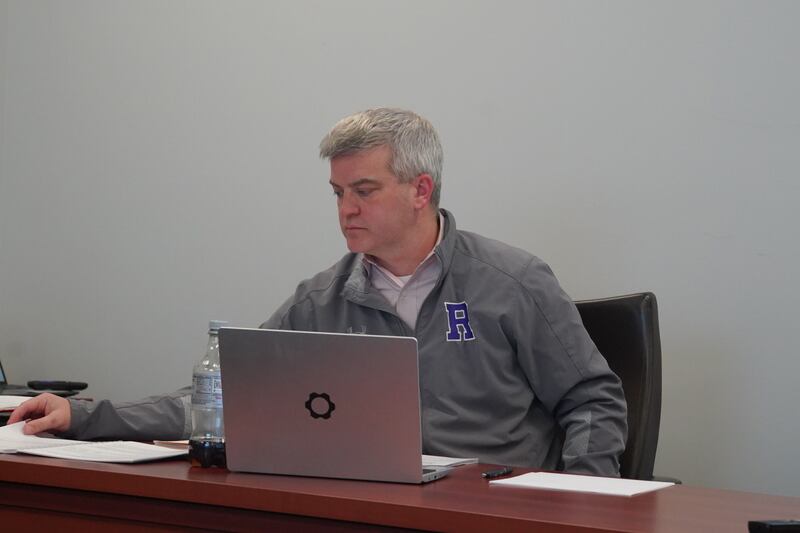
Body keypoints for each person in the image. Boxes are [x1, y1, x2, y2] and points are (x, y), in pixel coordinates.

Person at [9, 108, 627, 475]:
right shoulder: (322, 300)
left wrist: (583, 497)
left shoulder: (512, 282)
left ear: (420, 190)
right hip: (367, 501)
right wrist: (85, 416)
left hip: (491, 505)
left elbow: (592, 399)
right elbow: (225, 394)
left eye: (364, 191)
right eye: (338, 193)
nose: (346, 209)